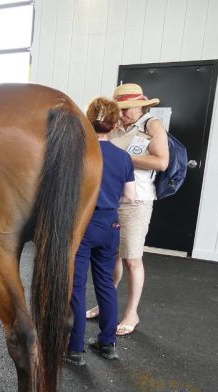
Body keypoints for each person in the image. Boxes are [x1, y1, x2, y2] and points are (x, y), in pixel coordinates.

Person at [90, 83, 168, 337]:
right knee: (111, 256)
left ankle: (132, 312)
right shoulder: (116, 127)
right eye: (119, 110)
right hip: (112, 198)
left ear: (141, 104)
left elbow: (162, 161)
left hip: (137, 201)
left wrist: (121, 158)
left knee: (132, 258)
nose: (123, 115)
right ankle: (106, 303)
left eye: (127, 109)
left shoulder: (151, 125)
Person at [66, 97, 137, 366]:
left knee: (78, 286)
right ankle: (108, 344)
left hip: (83, 224)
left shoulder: (79, 153)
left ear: (88, 120)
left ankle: (76, 349)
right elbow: (130, 196)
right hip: (110, 225)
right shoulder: (123, 157)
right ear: (114, 123)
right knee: (106, 284)